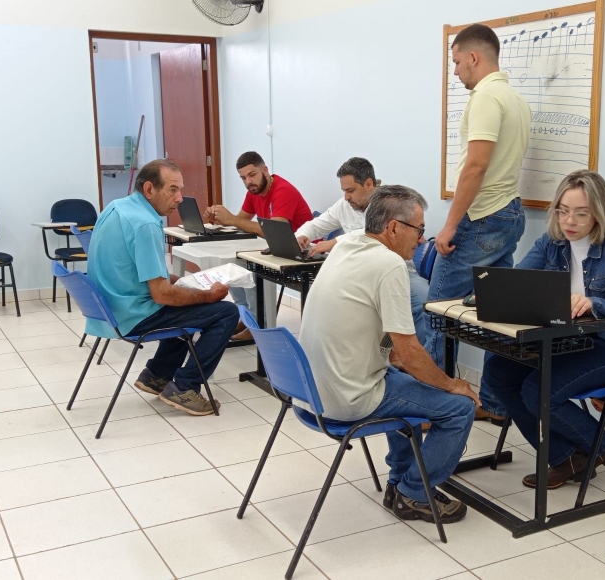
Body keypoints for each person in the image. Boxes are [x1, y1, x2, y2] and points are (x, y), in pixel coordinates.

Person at [298, 185, 479, 524]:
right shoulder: (390, 265)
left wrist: (399, 361)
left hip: (310, 392)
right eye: (419, 230)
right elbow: (410, 352)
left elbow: (383, 339)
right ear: (394, 227)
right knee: (460, 408)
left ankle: (400, 480)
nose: (422, 239)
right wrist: (451, 384)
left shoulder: (347, 244)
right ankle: (414, 494)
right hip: (348, 397)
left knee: (402, 378)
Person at [480, 170, 605, 489]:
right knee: (499, 372)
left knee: (536, 389)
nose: (569, 221)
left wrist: (595, 303)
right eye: (563, 210)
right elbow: (519, 281)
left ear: (599, 213)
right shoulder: (552, 242)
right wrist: (492, 291)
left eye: (581, 213)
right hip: (582, 341)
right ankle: (565, 457)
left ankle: (600, 445)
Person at [425, 24, 532, 423]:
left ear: (474, 57)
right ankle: (495, 402)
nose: (455, 72)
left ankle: (429, 404)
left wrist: (451, 224)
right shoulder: (515, 99)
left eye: (456, 62)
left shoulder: (486, 97)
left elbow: (476, 165)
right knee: (497, 317)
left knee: (436, 310)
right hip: (507, 214)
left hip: (482, 219)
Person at [87, 159, 239, 416]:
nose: (179, 198)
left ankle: (157, 375)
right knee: (225, 313)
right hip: (132, 316)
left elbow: (136, 269)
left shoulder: (117, 207)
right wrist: (207, 295)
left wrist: (180, 283)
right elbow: (162, 294)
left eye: (180, 189)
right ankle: (185, 387)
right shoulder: (146, 224)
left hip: (111, 309)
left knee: (188, 302)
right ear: (149, 190)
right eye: (172, 190)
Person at [295, 157, 430, 343]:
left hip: (399, 270)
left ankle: (424, 359)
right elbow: (317, 224)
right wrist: (302, 236)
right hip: (359, 273)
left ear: (368, 184)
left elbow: (372, 233)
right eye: (344, 191)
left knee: (423, 300)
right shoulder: (345, 205)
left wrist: (336, 241)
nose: (346, 197)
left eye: (350, 190)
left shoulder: (389, 204)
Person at [203, 151, 313, 340]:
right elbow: (240, 220)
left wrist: (233, 220)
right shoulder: (254, 192)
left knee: (247, 267)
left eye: (252, 175)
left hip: (300, 253)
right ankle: (247, 319)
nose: (248, 182)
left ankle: (257, 323)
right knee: (234, 263)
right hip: (277, 250)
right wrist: (220, 219)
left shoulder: (282, 190)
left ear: (265, 170)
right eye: (243, 178)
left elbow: (275, 231)